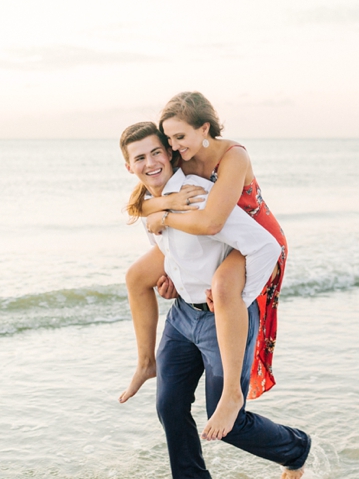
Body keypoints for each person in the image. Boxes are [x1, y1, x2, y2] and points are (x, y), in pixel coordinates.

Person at [120, 121, 310, 479]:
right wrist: (171, 277)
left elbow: (266, 246)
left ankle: (296, 447)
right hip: (181, 318)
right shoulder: (151, 203)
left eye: (157, 152)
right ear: (129, 167)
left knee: (230, 423)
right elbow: (176, 251)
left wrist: (238, 296)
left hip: (221, 321)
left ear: (171, 153)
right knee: (170, 406)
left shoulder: (196, 195)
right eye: (140, 157)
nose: (151, 162)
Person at [121, 92, 287, 443]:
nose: (174, 147)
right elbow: (141, 206)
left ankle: (232, 394)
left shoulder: (232, 156)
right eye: (170, 141)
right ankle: (144, 362)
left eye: (179, 138)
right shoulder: (180, 163)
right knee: (138, 276)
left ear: (205, 129)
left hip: (253, 236)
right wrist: (174, 273)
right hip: (214, 232)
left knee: (225, 289)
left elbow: (212, 222)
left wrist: (164, 214)